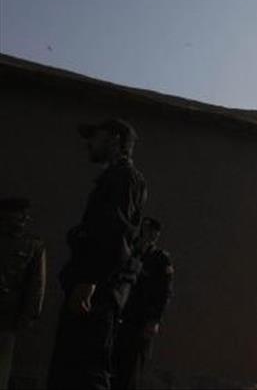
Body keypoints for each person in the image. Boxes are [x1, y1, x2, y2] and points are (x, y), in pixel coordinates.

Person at [47, 118, 147, 389]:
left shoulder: (123, 178)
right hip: (96, 286)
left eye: (95, 136)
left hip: (99, 290)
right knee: (72, 370)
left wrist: (89, 281)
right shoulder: (114, 177)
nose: (88, 143)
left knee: (87, 370)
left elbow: (115, 233)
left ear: (114, 139)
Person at [112, 217, 173, 390]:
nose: (149, 235)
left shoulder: (160, 259)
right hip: (120, 314)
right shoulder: (130, 252)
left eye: (153, 232)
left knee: (131, 369)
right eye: (147, 230)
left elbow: (164, 292)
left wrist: (154, 320)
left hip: (140, 321)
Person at [0, 197, 46, 390]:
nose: (24, 218)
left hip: (7, 315)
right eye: (19, 214)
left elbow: (37, 284)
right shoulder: (32, 245)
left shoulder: (32, 245)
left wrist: (29, 315)